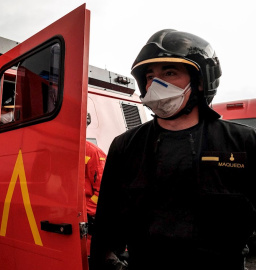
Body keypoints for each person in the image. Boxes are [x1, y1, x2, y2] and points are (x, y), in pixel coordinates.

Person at [90, 29, 256, 270]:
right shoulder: (126, 146)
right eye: (149, 76)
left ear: (200, 81)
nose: (155, 84)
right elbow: (107, 230)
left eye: (169, 72)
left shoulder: (243, 142)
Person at [85, 139, 106, 254]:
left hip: (89, 218)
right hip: (76, 217)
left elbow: (103, 190)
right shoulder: (67, 151)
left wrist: (86, 212)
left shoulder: (92, 152)